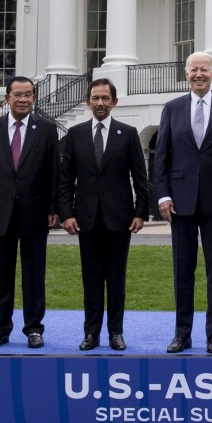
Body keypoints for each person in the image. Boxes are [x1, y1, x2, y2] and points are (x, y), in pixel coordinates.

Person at [154, 51, 212, 354]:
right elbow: (162, 157)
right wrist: (163, 195)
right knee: (183, 270)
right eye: (193, 69)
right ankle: (183, 334)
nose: (199, 74)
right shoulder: (172, 108)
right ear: (186, 73)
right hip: (179, 203)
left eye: (204, 69)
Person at [58, 78, 149, 351]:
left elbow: (140, 177)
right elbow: (65, 179)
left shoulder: (128, 133)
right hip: (85, 219)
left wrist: (141, 212)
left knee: (116, 278)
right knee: (92, 279)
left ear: (114, 102)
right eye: (95, 98)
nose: (100, 103)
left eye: (105, 98)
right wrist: (67, 214)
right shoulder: (75, 134)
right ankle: (91, 333)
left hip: (119, 219)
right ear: (88, 102)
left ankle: (116, 333)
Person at [0, 76, 58, 349]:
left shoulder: (46, 129)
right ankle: (0, 328)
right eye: (17, 94)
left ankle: (34, 328)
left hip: (35, 212)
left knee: (34, 275)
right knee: (2, 275)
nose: (23, 99)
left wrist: (53, 207)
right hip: (0, 212)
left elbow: (52, 172)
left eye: (28, 95)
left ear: (34, 98)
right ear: (7, 98)